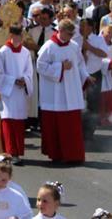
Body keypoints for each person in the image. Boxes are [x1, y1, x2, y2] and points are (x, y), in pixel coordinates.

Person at [36, 18, 89, 163]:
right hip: (54, 93)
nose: (71, 37)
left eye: (72, 34)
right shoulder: (49, 46)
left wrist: (86, 76)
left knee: (71, 126)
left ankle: (74, 155)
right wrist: (60, 67)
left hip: (71, 91)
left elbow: (80, 63)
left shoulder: (74, 46)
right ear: (60, 31)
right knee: (57, 127)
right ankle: (57, 154)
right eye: (69, 34)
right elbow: (40, 66)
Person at [0, 24, 32, 162]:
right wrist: (13, 81)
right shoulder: (3, 52)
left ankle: (18, 151)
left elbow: (29, 71)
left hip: (19, 92)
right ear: (11, 36)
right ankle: (9, 151)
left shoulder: (25, 52)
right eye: (16, 35)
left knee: (18, 121)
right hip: (7, 92)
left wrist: (25, 80)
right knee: (8, 120)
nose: (19, 38)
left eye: (21, 35)